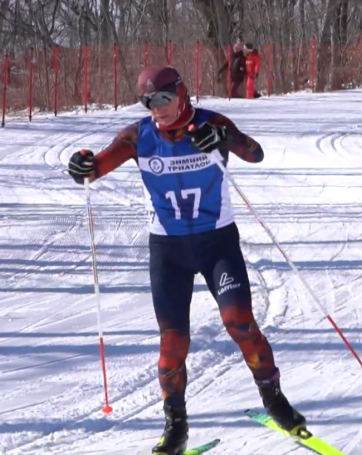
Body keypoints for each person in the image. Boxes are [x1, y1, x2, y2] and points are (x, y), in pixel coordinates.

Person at [65, 66, 306, 455]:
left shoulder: (210, 123)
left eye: (162, 99)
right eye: (147, 102)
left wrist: (223, 138)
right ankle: (176, 426)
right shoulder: (138, 136)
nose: (155, 109)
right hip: (169, 252)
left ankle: (274, 399)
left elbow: (255, 153)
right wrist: (83, 168)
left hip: (217, 245)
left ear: (181, 94)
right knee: (172, 346)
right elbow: (95, 170)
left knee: (239, 324)